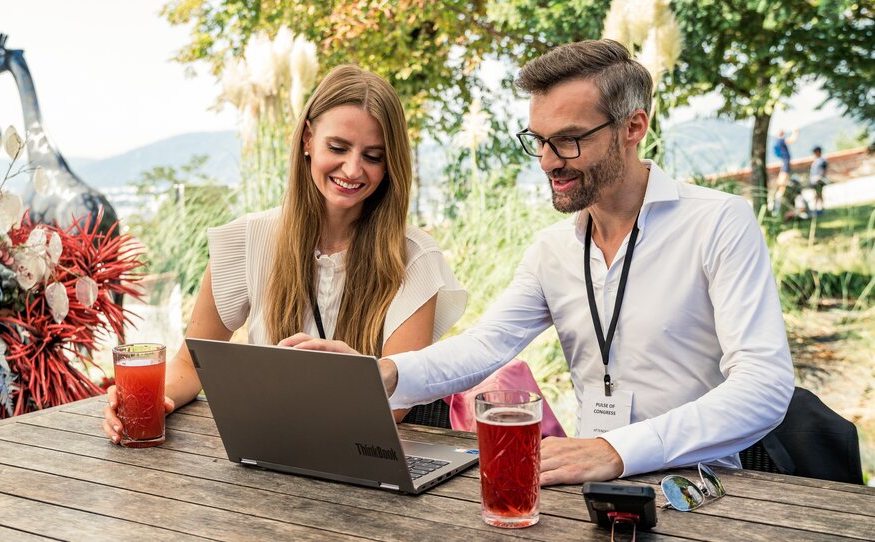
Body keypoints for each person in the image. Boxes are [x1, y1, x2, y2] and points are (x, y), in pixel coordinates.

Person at [292, 40, 794, 485]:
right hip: (589, 481)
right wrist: (381, 373)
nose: (549, 161)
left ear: (633, 127)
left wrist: (616, 450)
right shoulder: (552, 249)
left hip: (701, 487)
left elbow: (764, 385)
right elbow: (487, 345)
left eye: (569, 139)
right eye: (538, 140)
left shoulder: (719, 223)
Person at [102, 65, 467, 443]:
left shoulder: (414, 257)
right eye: (338, 148)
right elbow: (190, 364)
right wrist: (152, 399)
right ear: (308, 139)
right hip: (272, 453)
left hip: (371, 465)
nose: (353, 168)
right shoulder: (247, 239)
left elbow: (398, 406)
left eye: (373, 156)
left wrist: (356, 371)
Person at [772, 128, 799, 213]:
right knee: (781, 186)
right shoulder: (781, 141)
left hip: (783, 164)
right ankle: (778, 207)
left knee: (781, 186)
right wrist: (795, 132)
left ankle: (778, 207)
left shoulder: (778, 142)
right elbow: (792, 140)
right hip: (785, 165)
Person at [809, 146, 829, 214]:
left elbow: (823, 170)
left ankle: (819, 209)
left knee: (819, 194)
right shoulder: (816, 160)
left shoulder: (822, 160)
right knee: (817, 194)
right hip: (814, 180)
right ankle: (817, 209)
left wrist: (820, 178)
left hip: (819, 180)